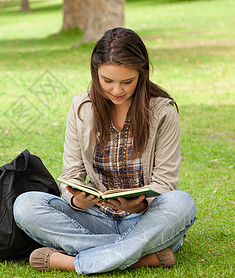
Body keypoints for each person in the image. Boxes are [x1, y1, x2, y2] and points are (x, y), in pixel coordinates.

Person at [13, 27, 197, 274]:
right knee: (25, 205)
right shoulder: (82, 108)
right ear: (95, 71)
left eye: (127, 82)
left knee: (182, 203)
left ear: (141, 74)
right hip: (94, 217)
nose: (117, 90)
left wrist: (139, 206)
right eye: (107, 81)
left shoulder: (162, 111)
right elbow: (71, 175)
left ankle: (73, 262)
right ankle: (143, 255)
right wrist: (76, 200)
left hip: (144, 218)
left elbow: (165, 182)